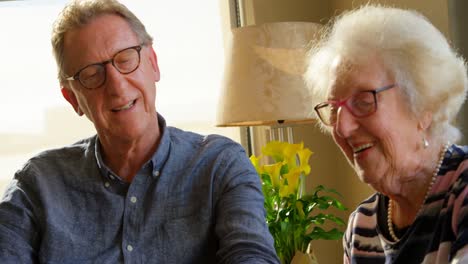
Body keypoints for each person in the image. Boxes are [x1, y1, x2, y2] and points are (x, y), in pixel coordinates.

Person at [0, 0, 279, 263]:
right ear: (73, 98)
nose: (117, 86)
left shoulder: (220, 165)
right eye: (92, 74)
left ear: (153, 63)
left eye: (125, 59)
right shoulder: (36, 185)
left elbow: (251, 254)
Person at [304, 5, 468, 264]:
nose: (342, 128)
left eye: (363, 101)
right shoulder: (361, 226)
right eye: (334, 109)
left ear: (425, 106)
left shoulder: (462, 193)